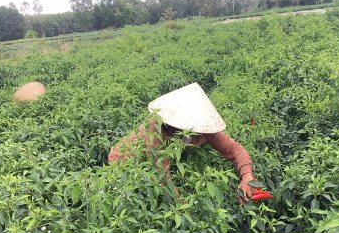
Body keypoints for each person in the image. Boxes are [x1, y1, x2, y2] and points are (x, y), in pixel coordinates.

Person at [108, 83, 259, 204]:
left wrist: (247, 176)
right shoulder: (156, 131)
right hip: (125, 162)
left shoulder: (203, 126)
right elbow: (161, 176)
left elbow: (233, 148)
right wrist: (184, 207)